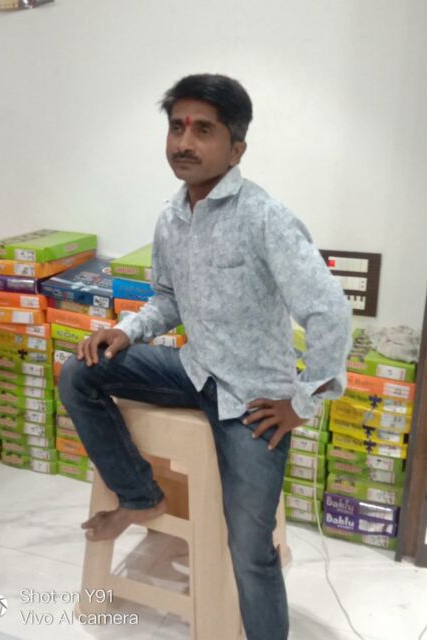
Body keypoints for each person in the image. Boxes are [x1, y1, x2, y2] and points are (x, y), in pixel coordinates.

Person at [58, 73, 352, 640]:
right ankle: (139, 496)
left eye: (203, 131)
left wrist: (302, 402)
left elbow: (330, 312)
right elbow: (168, 298)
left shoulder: (264, 217)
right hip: (193, 372)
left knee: (250, 550)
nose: (184, 143)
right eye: (176, 128)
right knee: (80, 372)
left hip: (255, 402)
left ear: (236, 148)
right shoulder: (172, 217)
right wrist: (127, 331)